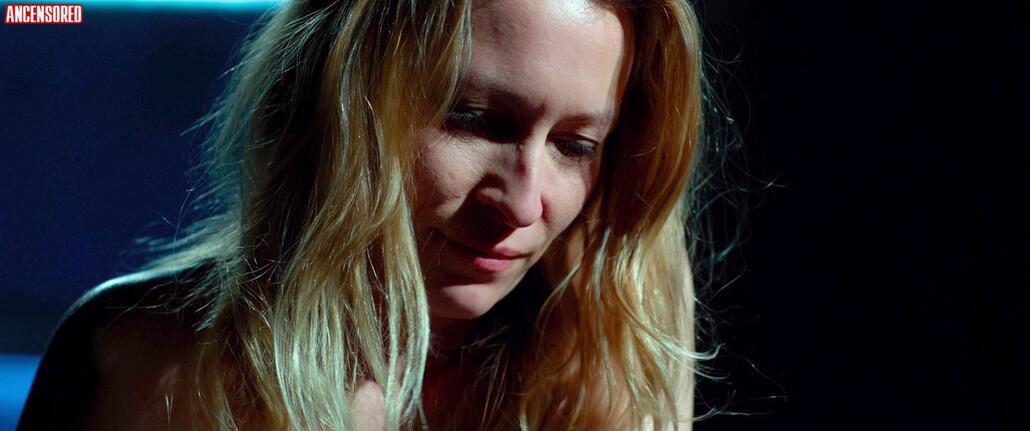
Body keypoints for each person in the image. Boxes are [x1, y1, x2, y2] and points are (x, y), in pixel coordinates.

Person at [19, 0, 717, 429]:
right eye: (474, 119)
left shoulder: (607, 348)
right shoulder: (142, 359)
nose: (523, 202)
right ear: (341, 105)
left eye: (575, 145)